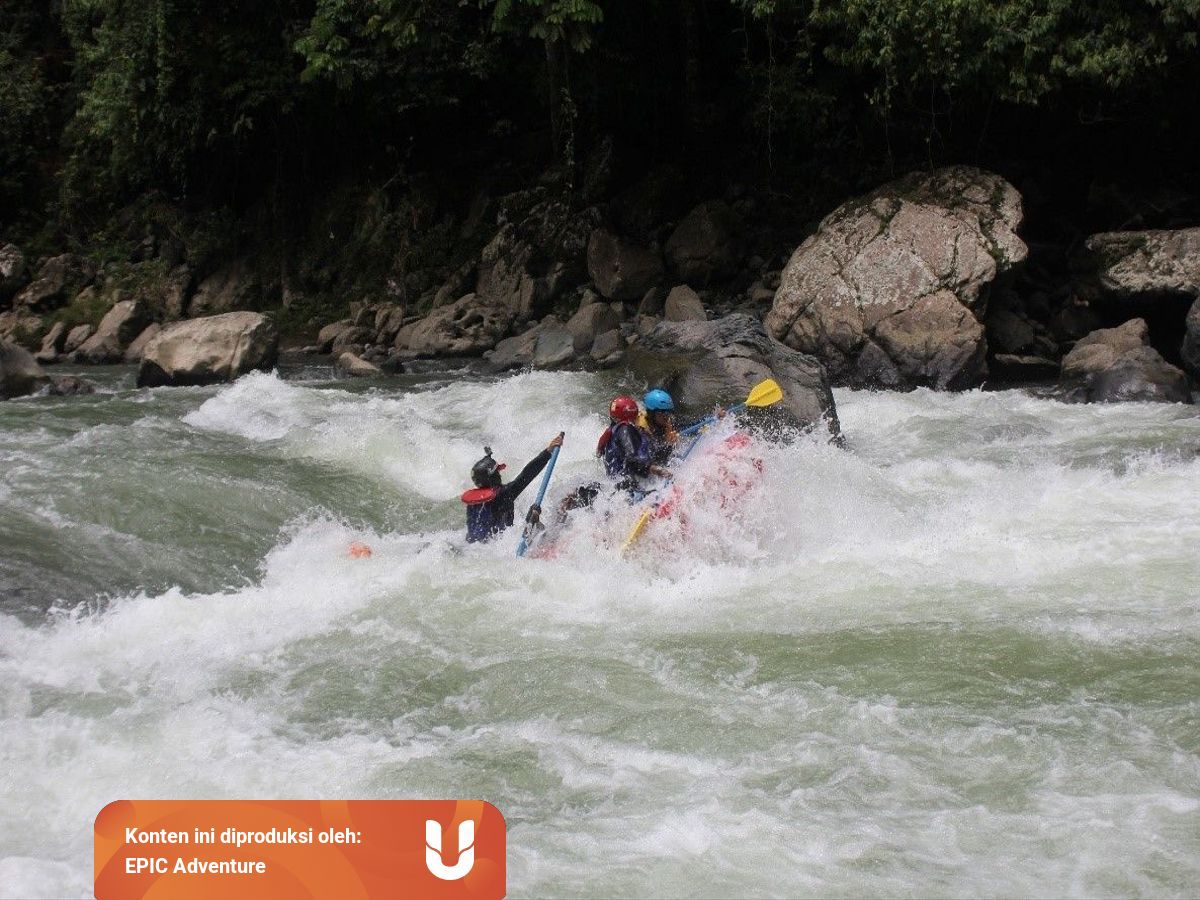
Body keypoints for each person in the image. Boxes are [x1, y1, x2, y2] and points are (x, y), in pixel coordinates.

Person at [462, 434, 564, 543]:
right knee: (534, 512)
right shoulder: (503, 495)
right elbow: (527, 474)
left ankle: (532, 519)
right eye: (498, 473)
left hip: (474, 547)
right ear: (494, 476)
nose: (500, 475)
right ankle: (532, 521)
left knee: (532, 513)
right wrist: (548, 452)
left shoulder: (473, 503)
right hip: (498, 548)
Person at [599, 394, 671, 492]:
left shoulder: (613, 431)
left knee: (665, 450)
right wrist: (656, 470)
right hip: (630, 487)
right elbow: (631, 461)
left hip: (619, 488)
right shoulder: (625, 430)